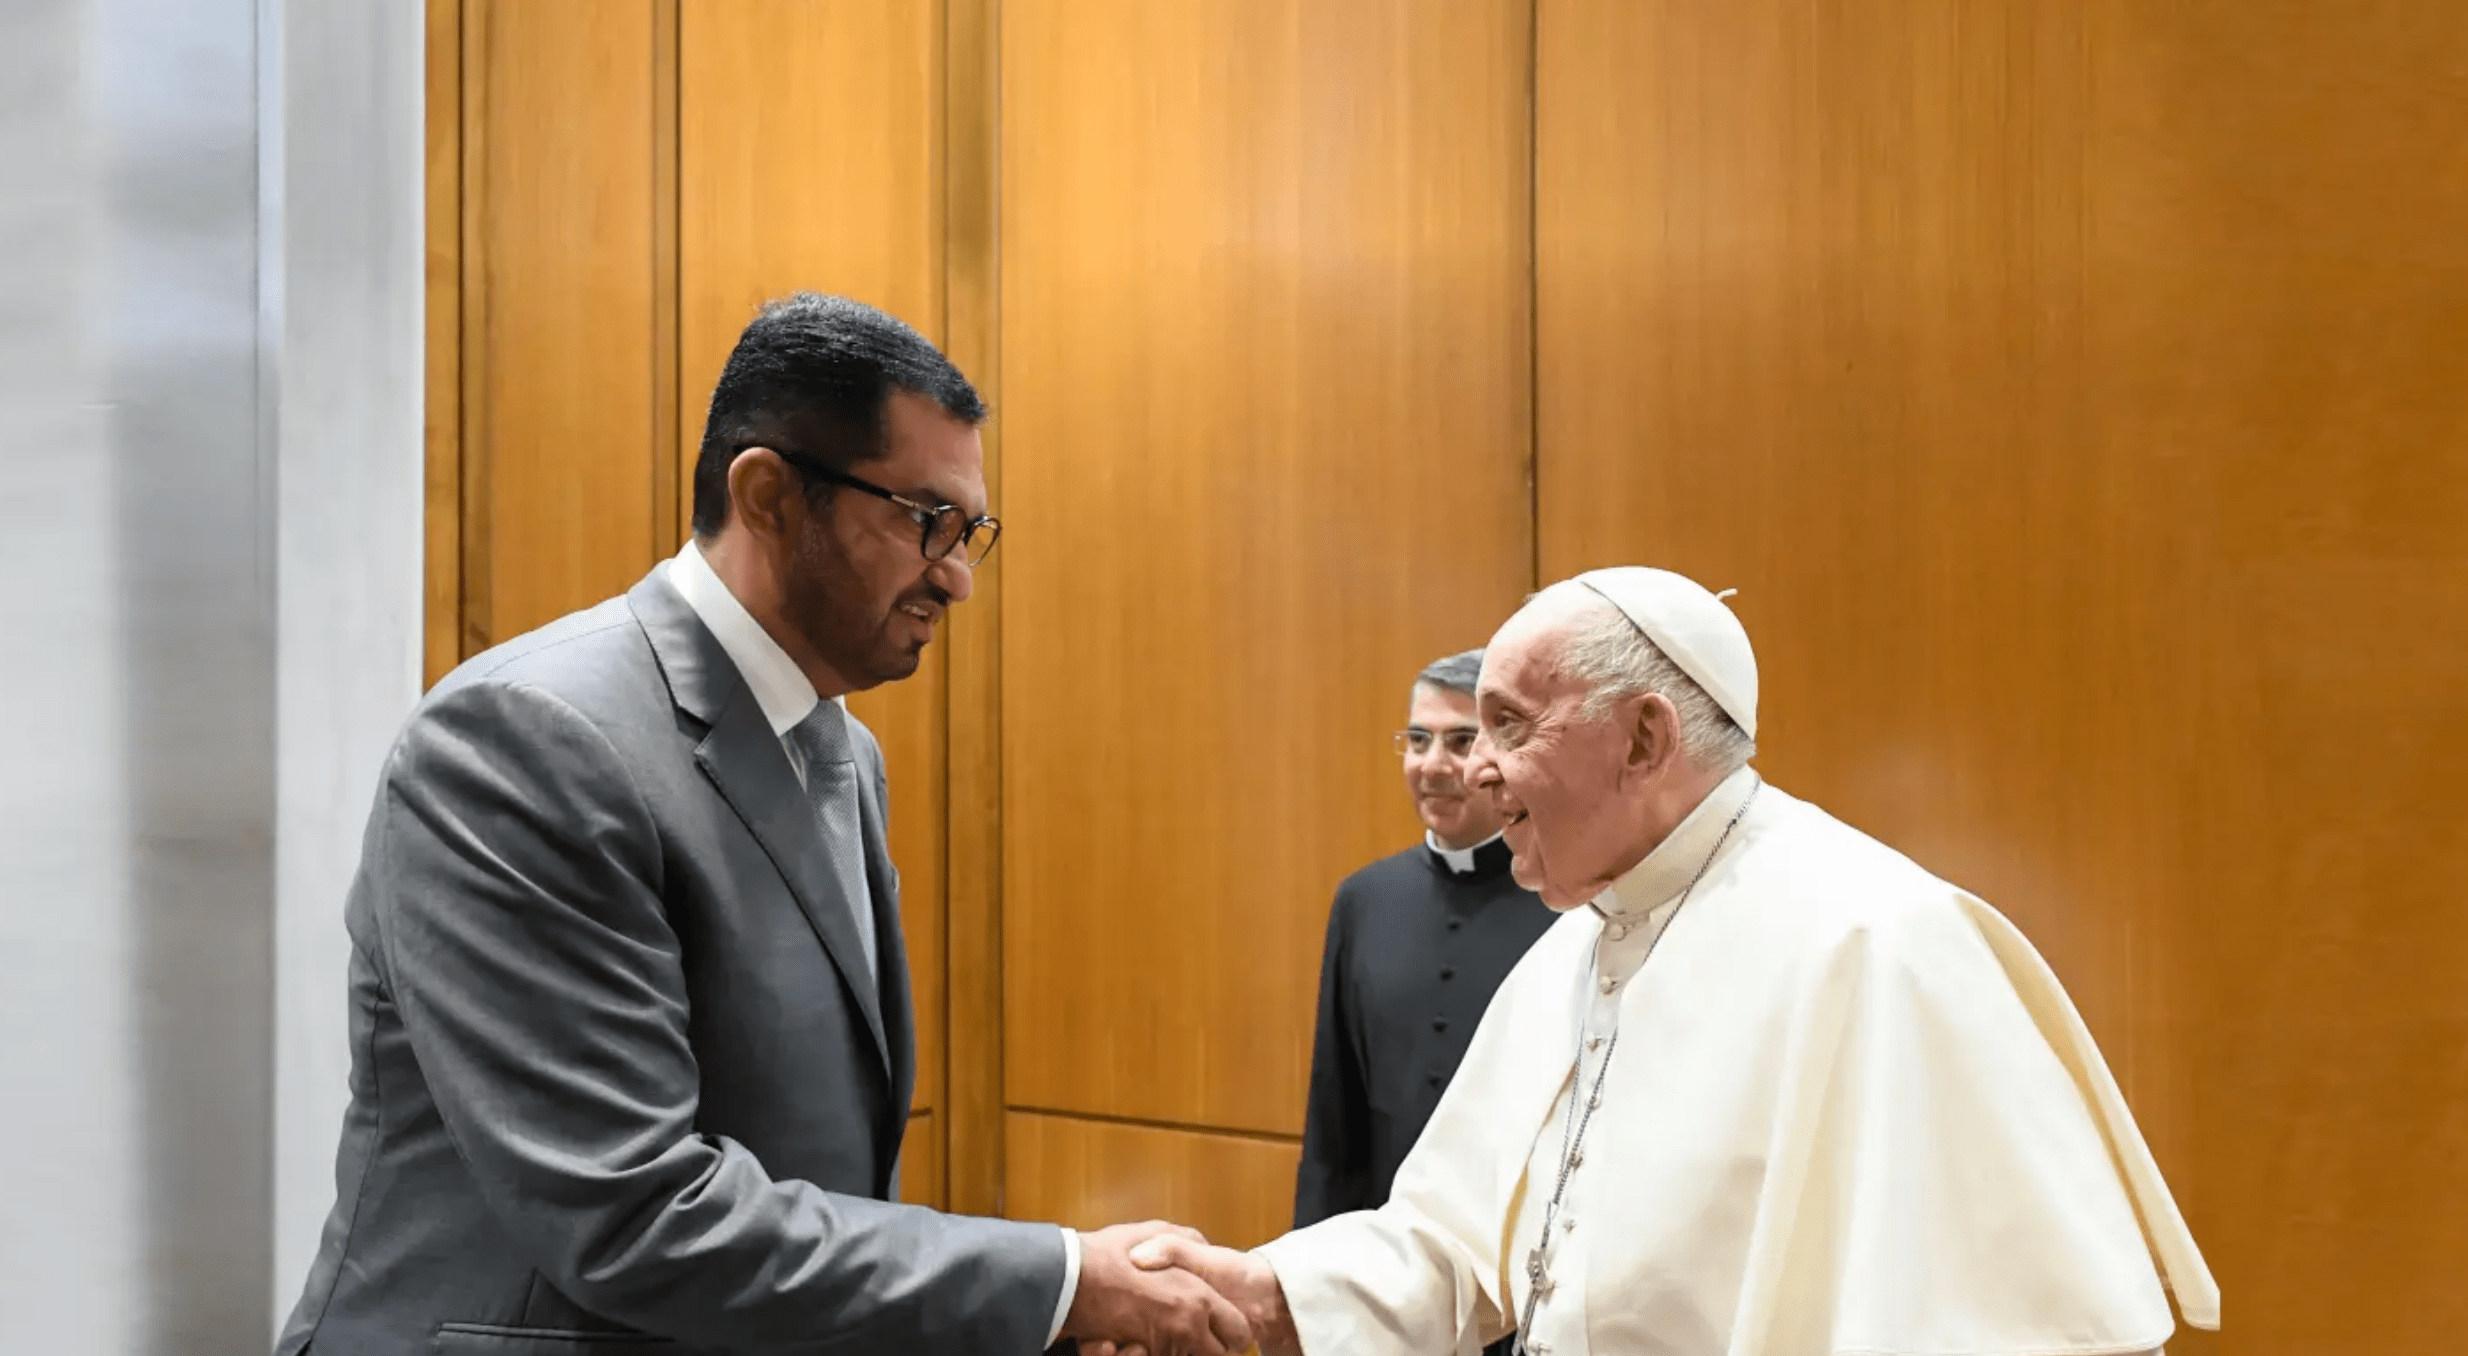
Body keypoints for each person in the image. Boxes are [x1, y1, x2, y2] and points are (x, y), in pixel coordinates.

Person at [277, 294, 1247, 1356]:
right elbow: (633, 1213)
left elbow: (812, 1171)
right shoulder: (525, 739)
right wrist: (1058, 1285)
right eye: (925, 521)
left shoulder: (840, 750)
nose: (958, 577)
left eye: (971, 531)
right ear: (769, 494)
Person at [1126, 568, 2219, 1356]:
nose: (1479, 774)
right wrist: (1266, 1293)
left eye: (1506, 726)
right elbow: (1457, 1249)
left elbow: (1981, 1330)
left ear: (1643, 739)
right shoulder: (1575, 945)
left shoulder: (1872, 944)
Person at [1293, 649, 1553, 1356]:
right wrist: (1309, 1293)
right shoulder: (1365, 899)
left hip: (1521, 1297)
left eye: (1461, 740)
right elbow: (1334, 1122)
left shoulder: (1567, 906)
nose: (1432, 763)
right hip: (1386, 1287)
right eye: (1417, 739)